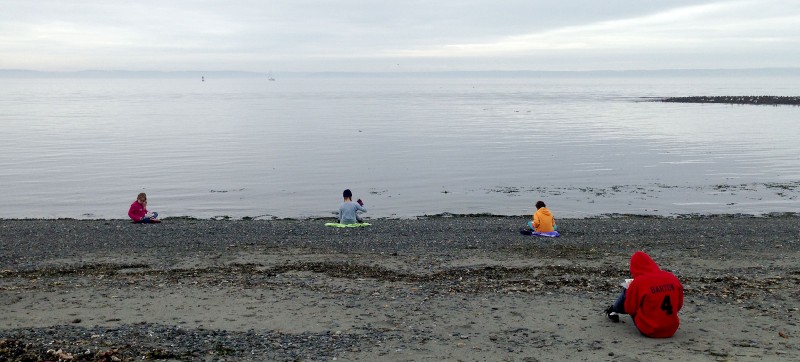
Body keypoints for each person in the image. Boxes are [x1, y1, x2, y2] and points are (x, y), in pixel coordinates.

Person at [605, 251, 684, 338]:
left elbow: (630, 309)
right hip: (671, 329)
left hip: (649, 330)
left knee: (627, 289)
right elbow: (679, 305)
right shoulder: (671, 277)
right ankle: (614, 310)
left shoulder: (639, 282)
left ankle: (613, 310)